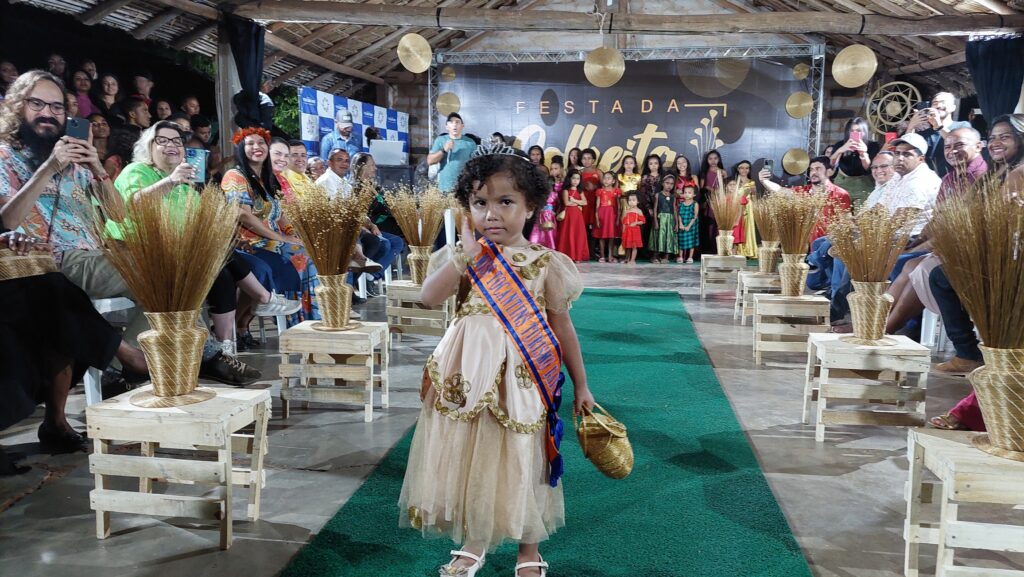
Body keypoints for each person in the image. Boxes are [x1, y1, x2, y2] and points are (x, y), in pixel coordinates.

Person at [398, 148, 594, 577]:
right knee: (472, 453)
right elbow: (428, 297)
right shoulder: (466, 257)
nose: (492, 214)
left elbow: (563, 329)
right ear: (467, 208)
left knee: (524, 454)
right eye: (480, 203)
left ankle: (528, 549)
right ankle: (475, 542)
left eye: (506, 202)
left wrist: (581, 385)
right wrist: (468, 255)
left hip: (525, 378)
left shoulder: (546, 264)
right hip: (467, 374)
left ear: (531, 207)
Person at [114, 122, 294, 374]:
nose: (171, 146)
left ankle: (224, 347)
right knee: (217, 258)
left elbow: (203, 222)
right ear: (148, 147)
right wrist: (171, 181)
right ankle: (262, 300)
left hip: (180, 253)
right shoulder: (137, 171)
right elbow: (134, 203)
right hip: (141, 253)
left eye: (176, 141)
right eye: (162, 140)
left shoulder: (185, 184)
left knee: (220, 267)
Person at [758, 155, 851, 245]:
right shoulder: (803, 191)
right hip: (804, 246)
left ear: (829, 172)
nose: (813, 172)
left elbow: (846, 222)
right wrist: (764, 181)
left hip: (827, 246)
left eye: (818, 168)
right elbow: (780, 190)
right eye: (811, 169)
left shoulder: (840, 194)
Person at [905, 92, 972, 177]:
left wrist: (939, 126)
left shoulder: (962, 126)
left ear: (953, 108)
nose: (938, 105)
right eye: (935, 103)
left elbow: (958, 144)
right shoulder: (924, 132)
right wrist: (911, 126)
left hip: (954, 180)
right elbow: (906, 149)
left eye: (943, 102)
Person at [828, 117, 880, 204]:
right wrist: (841, 150)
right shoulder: (840, 144)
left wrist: (863, 153)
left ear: (864, 132)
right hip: (842, 182)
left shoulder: (872, 146)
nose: (855, 133)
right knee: (839, 214)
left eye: (859, 131)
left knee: (861, 215)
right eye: (852, 131)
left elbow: (868, 169)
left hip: (864, 184)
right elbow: (831, 165)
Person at [427, 112, 476, 192]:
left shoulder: (470, 143)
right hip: (445, 188)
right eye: (451, 122)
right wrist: (444, 150)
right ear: (446, 126)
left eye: (457, 122)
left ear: (462, 126)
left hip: (464, 188)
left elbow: (475, 164)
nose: (454, 125)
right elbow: (430, 161)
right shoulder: (440, 140)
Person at [697, 150, 727, 258]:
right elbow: (701, 187)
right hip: (708, 201)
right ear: (707, 160)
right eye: (710, 159)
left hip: (720, 202)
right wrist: (710, 189)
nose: (713, 161)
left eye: (715, 158)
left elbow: (726, 187)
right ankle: (708, 248)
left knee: (717, 225)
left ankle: (717, 249)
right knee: (708, 225)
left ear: (719, 159)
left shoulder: (723, 172)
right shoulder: (704, 172)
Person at [555, 170, 588, 262]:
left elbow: (585, 202)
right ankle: (569, 255)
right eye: (573, 178)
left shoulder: (580, 191)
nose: (575, 181)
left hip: (577, 216)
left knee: (578, 234)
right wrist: (577, 204)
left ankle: (577, 256)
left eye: (578, 179)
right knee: (569, 234)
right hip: (569, 215)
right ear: (569, 179)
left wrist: (574, 201)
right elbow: (567, 203)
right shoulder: (566, 190)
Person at [529, 157, 561, 250]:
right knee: (538, 231)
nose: (549, 186)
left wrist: (556, 212)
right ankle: (535, 246)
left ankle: (550, 247)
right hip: (540, 214)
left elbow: (558, 204)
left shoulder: (555, 194)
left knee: (549, 232)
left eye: (551, 184)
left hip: (550, 215)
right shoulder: (541, 193)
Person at [649, 173, 678, 263]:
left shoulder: (673, 197)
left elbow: (674, 210)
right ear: (662, 183)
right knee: (658, 237)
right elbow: (654, 209)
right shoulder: (658, 195)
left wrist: (676, 223)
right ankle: (655, 256)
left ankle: (666, 257)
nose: (669, 185)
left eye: (671, 184)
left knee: (668, 237)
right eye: (667, 183)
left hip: (670, 220)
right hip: (660, 219)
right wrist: (655, 221)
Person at [731, 160, 757, 258]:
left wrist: (754, 194)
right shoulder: (734, 182)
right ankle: (737, 250)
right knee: (736, 228)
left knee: (747, 228)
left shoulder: (752, 182)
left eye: (747, 168)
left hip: (748, 207)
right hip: (737, 206)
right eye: (742, 168)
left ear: (749, 170)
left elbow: (754, 198)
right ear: (738, 169)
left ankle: (748, 251)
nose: (744, 170)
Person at [592, 171, 621, 263]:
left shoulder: (616, 191)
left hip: (612, 214)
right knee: (602, 236)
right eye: (604, 178)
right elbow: (597, 206)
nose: (606, 180)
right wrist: (596, 218)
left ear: (613, 181)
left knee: (611, 236)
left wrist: (618, 218)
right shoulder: (600, 191)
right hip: (602, 214)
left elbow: (619, 206)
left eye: (609, 178)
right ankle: (602, 256)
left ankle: (610, 256)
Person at [620, 192, 645, 265]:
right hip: (627, 231)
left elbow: (643, 221)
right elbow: (624, 222)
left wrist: (636, 223)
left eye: (633, 200)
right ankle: (627, 258)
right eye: (630, 200)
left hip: (635, 231)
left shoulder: (639, 211)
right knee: (627, 246)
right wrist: (623, 231)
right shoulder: (627, 211)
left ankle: (632, 260)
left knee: (634, 246)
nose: (631, 202)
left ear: (638, 201)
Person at [676, 184, 699, 264]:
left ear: (694, 194)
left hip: (691, 225)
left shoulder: (695, 204)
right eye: (685, 192)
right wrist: (681, 224)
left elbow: (695, 216)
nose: (687, 194)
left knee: (691, 241)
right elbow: (679, 215)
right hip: (683, 224)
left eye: (689, 192)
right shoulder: (681, 203)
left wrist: (689, 226)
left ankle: (690, 257)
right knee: (681, 240)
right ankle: (680, 256)